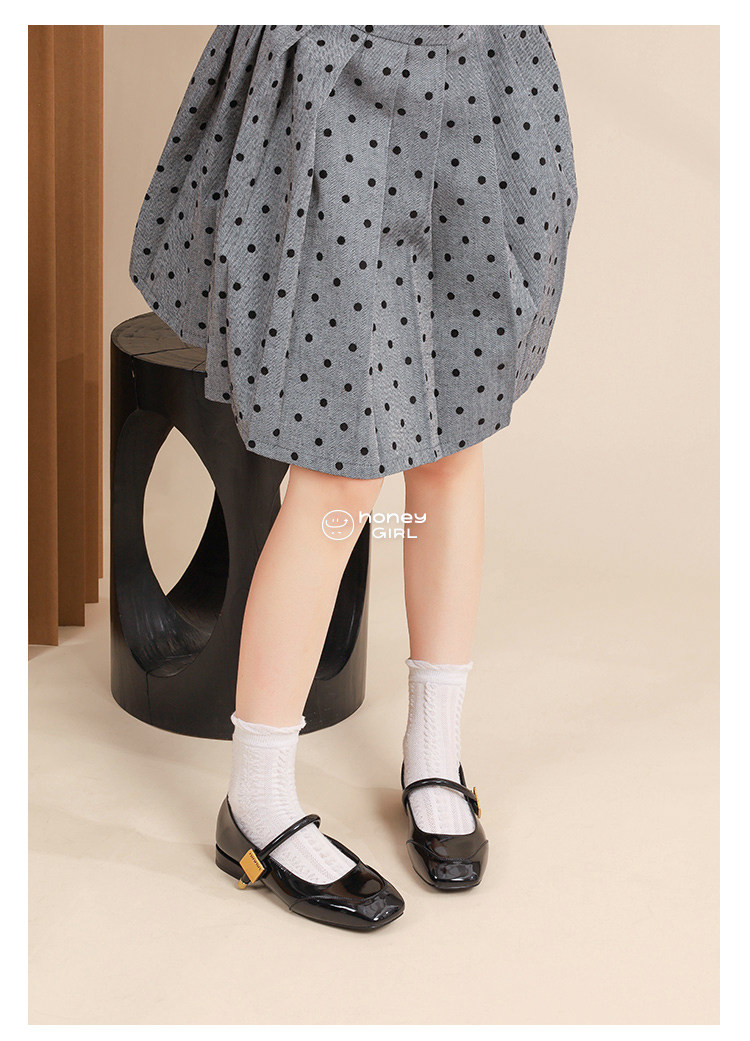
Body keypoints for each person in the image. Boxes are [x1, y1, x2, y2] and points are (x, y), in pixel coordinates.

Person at [129, 24, 578, 931]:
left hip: (486, 71)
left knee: (454, 441)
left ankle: (435, 755)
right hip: (342, 76)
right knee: (338, 475)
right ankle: (257, 801)